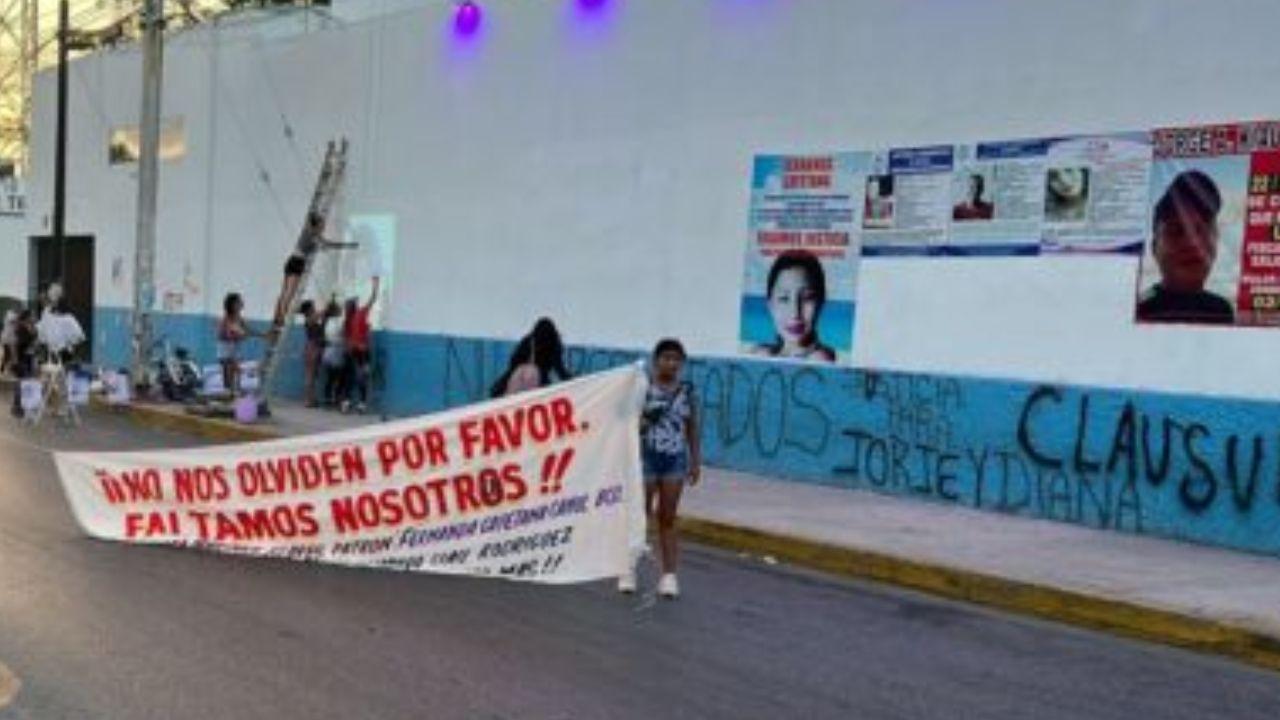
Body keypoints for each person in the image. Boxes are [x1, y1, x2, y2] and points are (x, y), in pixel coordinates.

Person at [619, 338, 701, 599]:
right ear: (656, 360)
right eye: (666, 357)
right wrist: (644, 420)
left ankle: (669, 576)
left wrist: (695, 460)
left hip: (674, 461)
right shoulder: (643, 388)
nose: (671, 363)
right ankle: (628, 570)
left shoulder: (687, 391)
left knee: (667, 517)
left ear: (682, 363)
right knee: (639, 516)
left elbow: (692, 427)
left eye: (676, 359)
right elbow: (627, 423)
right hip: (645, 459)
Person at [1137, 170, 1235, 325]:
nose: (1192, 243)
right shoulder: (1141, 309)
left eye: (1202, 230)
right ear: (1154, 248)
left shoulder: (1221, 310)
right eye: (1177, 231)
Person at [750, 250, 836, 362]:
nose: (795, 313)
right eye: (784, 299)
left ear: (821, 301)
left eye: (807, 298)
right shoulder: (762, 353)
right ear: (770, 306)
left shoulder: (819, 359)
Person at [273, 212, 355, 327]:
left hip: (291, 260)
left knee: (285, 293)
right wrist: (346, 246)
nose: (323, 227)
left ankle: (278, 317)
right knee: (289, 294)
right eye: (322, 225)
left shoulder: (308, 232)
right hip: (297, 264)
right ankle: (281, 318)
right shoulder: (314, 236)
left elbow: (324, 241)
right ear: (317, 226)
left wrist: (346, 245)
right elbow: (328, 244)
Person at [489, 317, 573, 398]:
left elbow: (513, 361)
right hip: (540, 384)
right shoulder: (553, 344)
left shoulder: (528, 340)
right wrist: (575, 381)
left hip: (517, 381)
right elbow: (560, 369)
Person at [340, 277, 380, 414]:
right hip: (361, 352)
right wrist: (375, 285)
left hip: (352, 352)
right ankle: (360, 404)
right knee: (361, 377)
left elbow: (345, 339)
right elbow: (373, 299)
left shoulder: (348, 319)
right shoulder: (360, 314)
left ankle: (347, 402)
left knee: (350, 377)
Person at [300, 297, 340, 408]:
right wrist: (327, 306)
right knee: (310, 376)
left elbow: (327, 316)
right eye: (312, 306)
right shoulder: (309, 319)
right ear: (308, 310)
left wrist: (329, 310)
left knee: (313, 376)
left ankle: (311, 399)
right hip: (312, 348)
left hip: (316, 348)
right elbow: (321, 314)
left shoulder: (313, 319)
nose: (314, 308)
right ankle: (308, 400)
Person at [217, 292, 251, 396]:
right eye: (239, 301)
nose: (242, 303)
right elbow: (221, 335)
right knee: (228, 374)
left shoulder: (240, 319)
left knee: (236, 371)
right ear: (233, 304)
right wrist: (232, 335)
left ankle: (234, 393)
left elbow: (248, 332)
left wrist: (242, 335)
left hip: (235, 350)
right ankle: (229, 393)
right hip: (226, 350)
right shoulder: (225, 318)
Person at [8, 309, 35, 418]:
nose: (34, 317)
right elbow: (13, 344)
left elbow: (32, 340)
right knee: (21, 384)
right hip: (21, 359)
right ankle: (17, 408)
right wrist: (15, 360)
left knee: (26, 383)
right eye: (32, 316)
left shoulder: (30, 327)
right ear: (27, 317)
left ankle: (23, 407)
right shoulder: (19, 328)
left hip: (29, 358)